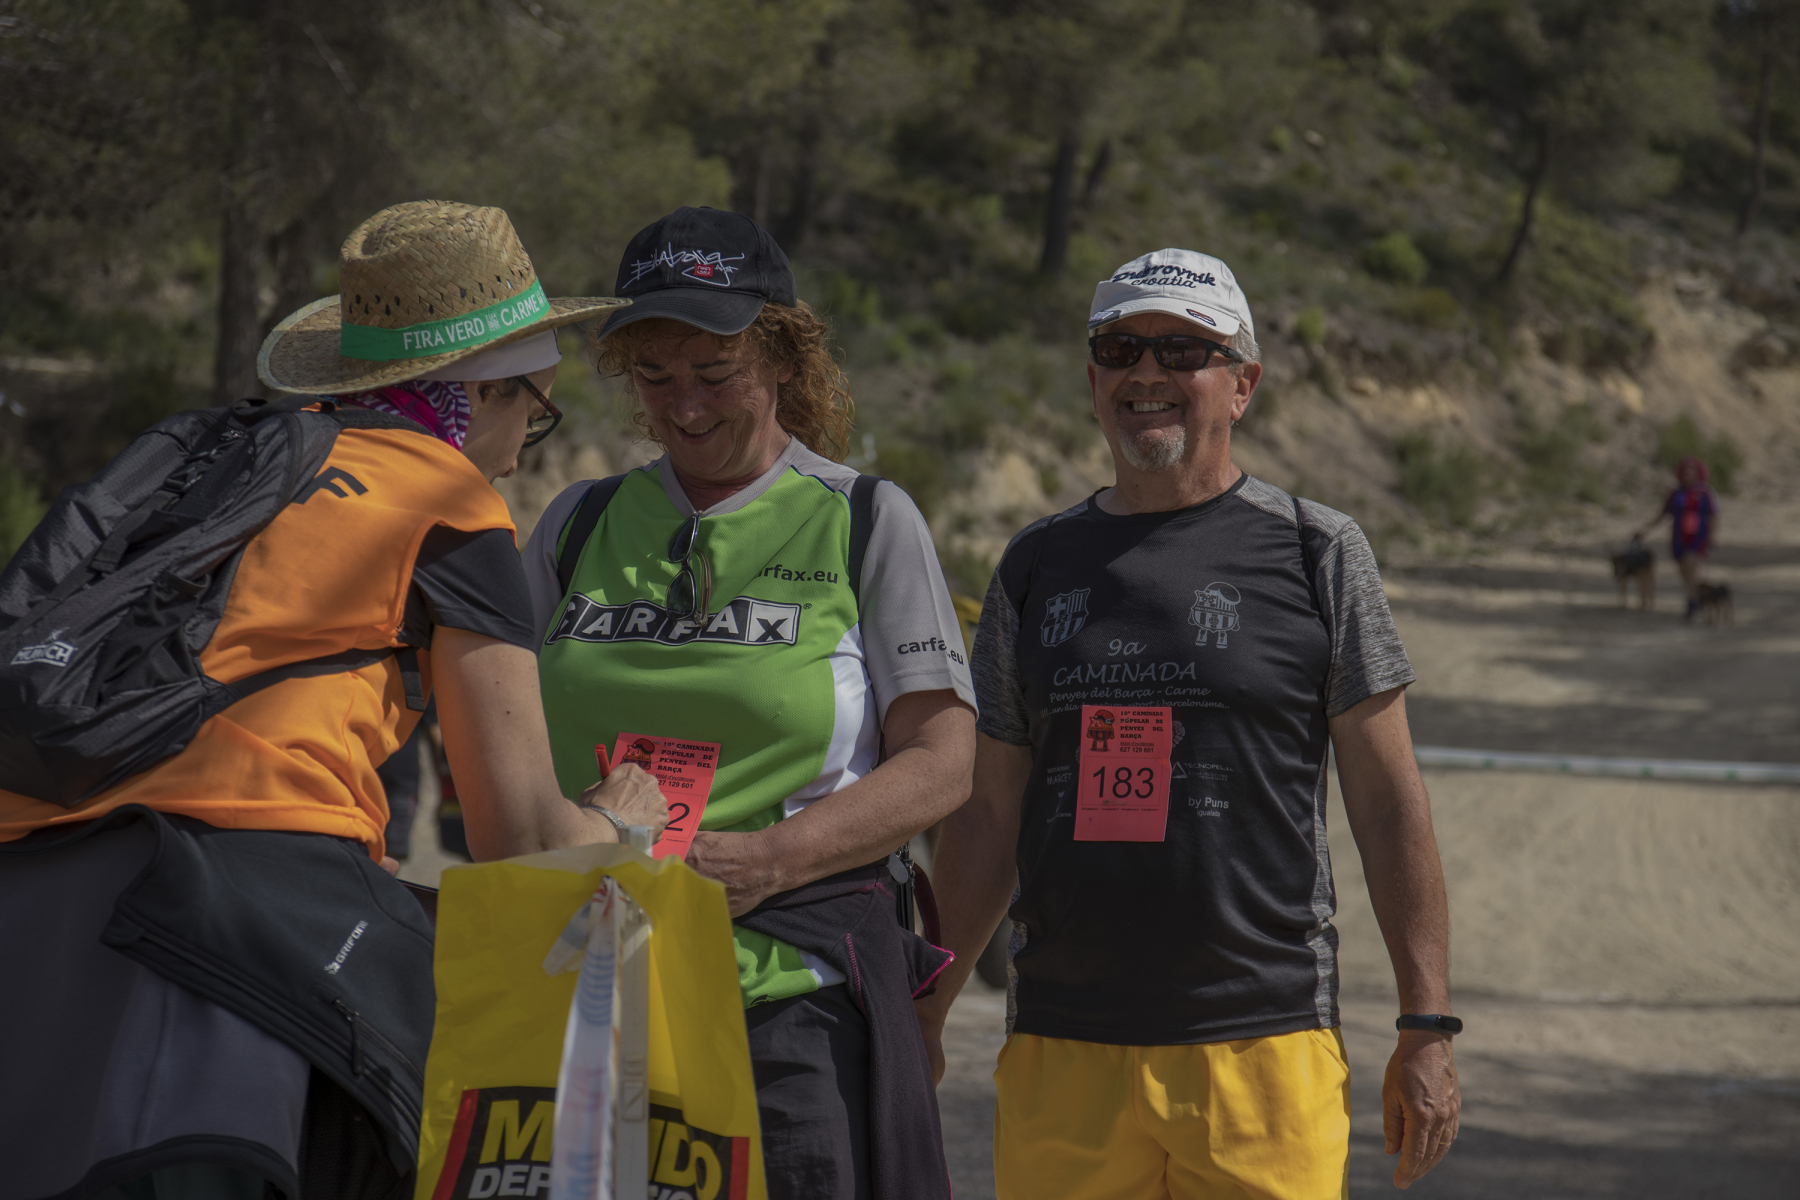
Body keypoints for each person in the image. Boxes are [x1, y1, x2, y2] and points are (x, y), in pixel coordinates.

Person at [0, 201, 667, 1200]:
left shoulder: (226, 460)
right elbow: (523, 834)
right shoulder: (446, 502)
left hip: (30, 904)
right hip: (216, 939)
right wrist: (619, 820)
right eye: (534, 411)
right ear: (480, 393)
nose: (521, 448)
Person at [916, 248, 1461, 1198]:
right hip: (1063, 1048)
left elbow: (1387, 801)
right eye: (1119, 349)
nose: (1147, 373)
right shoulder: (1035, 565)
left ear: (1243, 385)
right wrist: (924, 1013)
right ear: (1093, 381)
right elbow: (988, 813)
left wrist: (1428, 1024)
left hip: (1262, 1044)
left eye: (1182, 351)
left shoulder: (1316, 551)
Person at [521, 206, 976, 1200]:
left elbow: (944, 761)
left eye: (715, 372)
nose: (684, 405)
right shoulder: (578, 522)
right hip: (589, 986)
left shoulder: (863, 519)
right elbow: (499, 730)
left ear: (781, 357)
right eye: (654, 375)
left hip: (787, 1004)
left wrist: (775, 859)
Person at [1638, 455, 1718, 620]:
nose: (1689, 476)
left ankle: (1694, 600)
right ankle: (1695, 596)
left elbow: (1713, 516)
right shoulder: (1676, 494)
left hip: (1698, 536)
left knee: (1692, 565)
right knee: (1684, 570)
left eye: (1692, 473)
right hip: (1679, 537)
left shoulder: (1705, 493)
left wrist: (1712, 536)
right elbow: (1663, 515)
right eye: (1686, 473)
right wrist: (1645, 530)